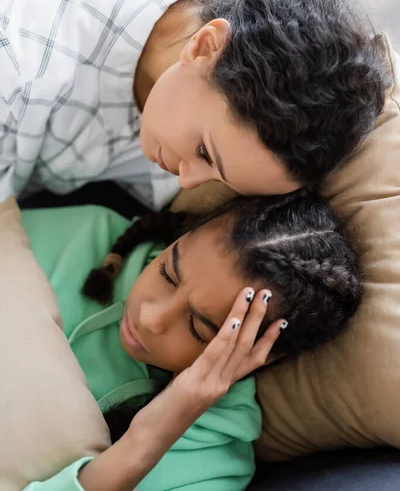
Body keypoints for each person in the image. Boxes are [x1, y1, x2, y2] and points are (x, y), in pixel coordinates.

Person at [0, 0, 391, 212]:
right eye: (204, 153)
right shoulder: (24, 64)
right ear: (204, 46)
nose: (189, 182)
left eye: (220, 175)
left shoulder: (284, 13)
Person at [20, 188, 361, 490]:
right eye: (167, 272)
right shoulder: (88, 234)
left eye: (198, 328)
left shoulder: (209, 464)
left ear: (261, 352)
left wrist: (145, 441)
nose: (150, 318)